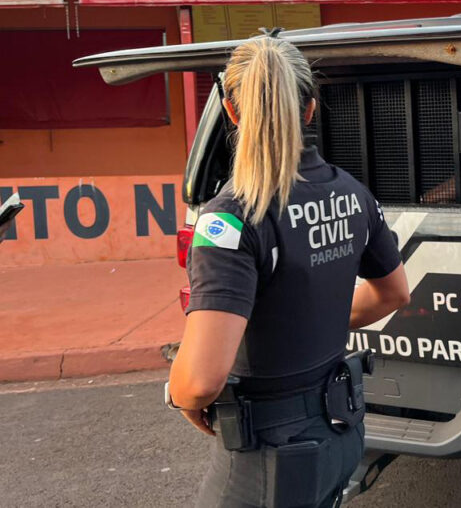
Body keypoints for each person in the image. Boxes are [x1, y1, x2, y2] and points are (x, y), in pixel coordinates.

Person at [166, 35, 410, 508]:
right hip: (340, 433)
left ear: (232, 112)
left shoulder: (230, 218)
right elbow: (393, 294)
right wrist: (313, 325)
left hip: (268, 457)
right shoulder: (352, 193)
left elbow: (199, 381)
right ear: (310, 110)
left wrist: (180, 394)